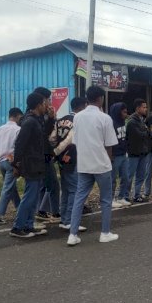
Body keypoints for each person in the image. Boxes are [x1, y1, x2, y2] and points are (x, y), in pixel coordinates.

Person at [67, 86, 119, 246]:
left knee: (79, 198)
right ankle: (105, 233)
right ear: (100, 99)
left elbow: (75, 141)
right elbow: (109, 144)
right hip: (101, 164)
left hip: (83, 164)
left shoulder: (77, 117)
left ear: (87, 98)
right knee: (105, 200)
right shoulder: (105, 118)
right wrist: (109, 161)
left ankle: (72, 234)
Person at [9, 93, 49, 238]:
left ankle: (28, 225)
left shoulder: (37, 120)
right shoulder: (29, 122)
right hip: (31, 164)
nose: (47, 105)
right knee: (29, 196)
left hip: (37, 163)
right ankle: (17, 227)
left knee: (34, 197)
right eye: (45, 102)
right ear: (38, 105)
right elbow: (19, 144)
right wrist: (16, 164)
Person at [53, 97, 88, 233]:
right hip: (74, 157)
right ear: (82, 106)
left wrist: (56, 153)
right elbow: (72, 140)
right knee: (74, 190)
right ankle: (70, 221)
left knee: (66, 190)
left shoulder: (60, 120)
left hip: (62, 158)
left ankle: (64, 219)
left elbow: (52, 138)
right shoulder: (78, 120)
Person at [0, 107, 24, 225]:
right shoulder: (18, 130)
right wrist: (18, 165)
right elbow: (19, 149)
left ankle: (20, 209)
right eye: (21, 117)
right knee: (7, 188)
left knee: (11, 188)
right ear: (18, 116)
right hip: (11, 163)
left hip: (1, 163)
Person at [33, 87, 60, 223]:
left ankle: (41, 211)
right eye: (48, 99)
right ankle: (55, 212)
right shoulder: (35, 116)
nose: (50, 102)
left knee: (44, 185)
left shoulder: (40, 115)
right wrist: (51, 119)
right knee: (53, 185)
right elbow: (44, 136)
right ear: (42, 100)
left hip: (44, 154)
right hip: (44, 155)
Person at [126, 98, 150, 203]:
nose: (146, 109)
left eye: (146, 107)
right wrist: (148, 131)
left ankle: (137, 195)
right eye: (144, 107)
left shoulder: (142, 120)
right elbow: (139, 135)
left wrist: (147, 132)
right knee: (129, 175)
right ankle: (125, 195)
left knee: (141, 175)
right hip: (133, 153)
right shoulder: (132, 121)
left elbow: (147, 134)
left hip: (143, 152)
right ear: (137, 108)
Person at [109, 102, 132, 208]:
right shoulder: (111, 123)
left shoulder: (123, 122)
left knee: (126, 177)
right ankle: (110, 199)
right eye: (124, 112)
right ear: (118, 112)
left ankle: (121, 197)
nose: (125, 114)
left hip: (123, 154)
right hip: (115, 155)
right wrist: (111, 155)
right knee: (112, 178)